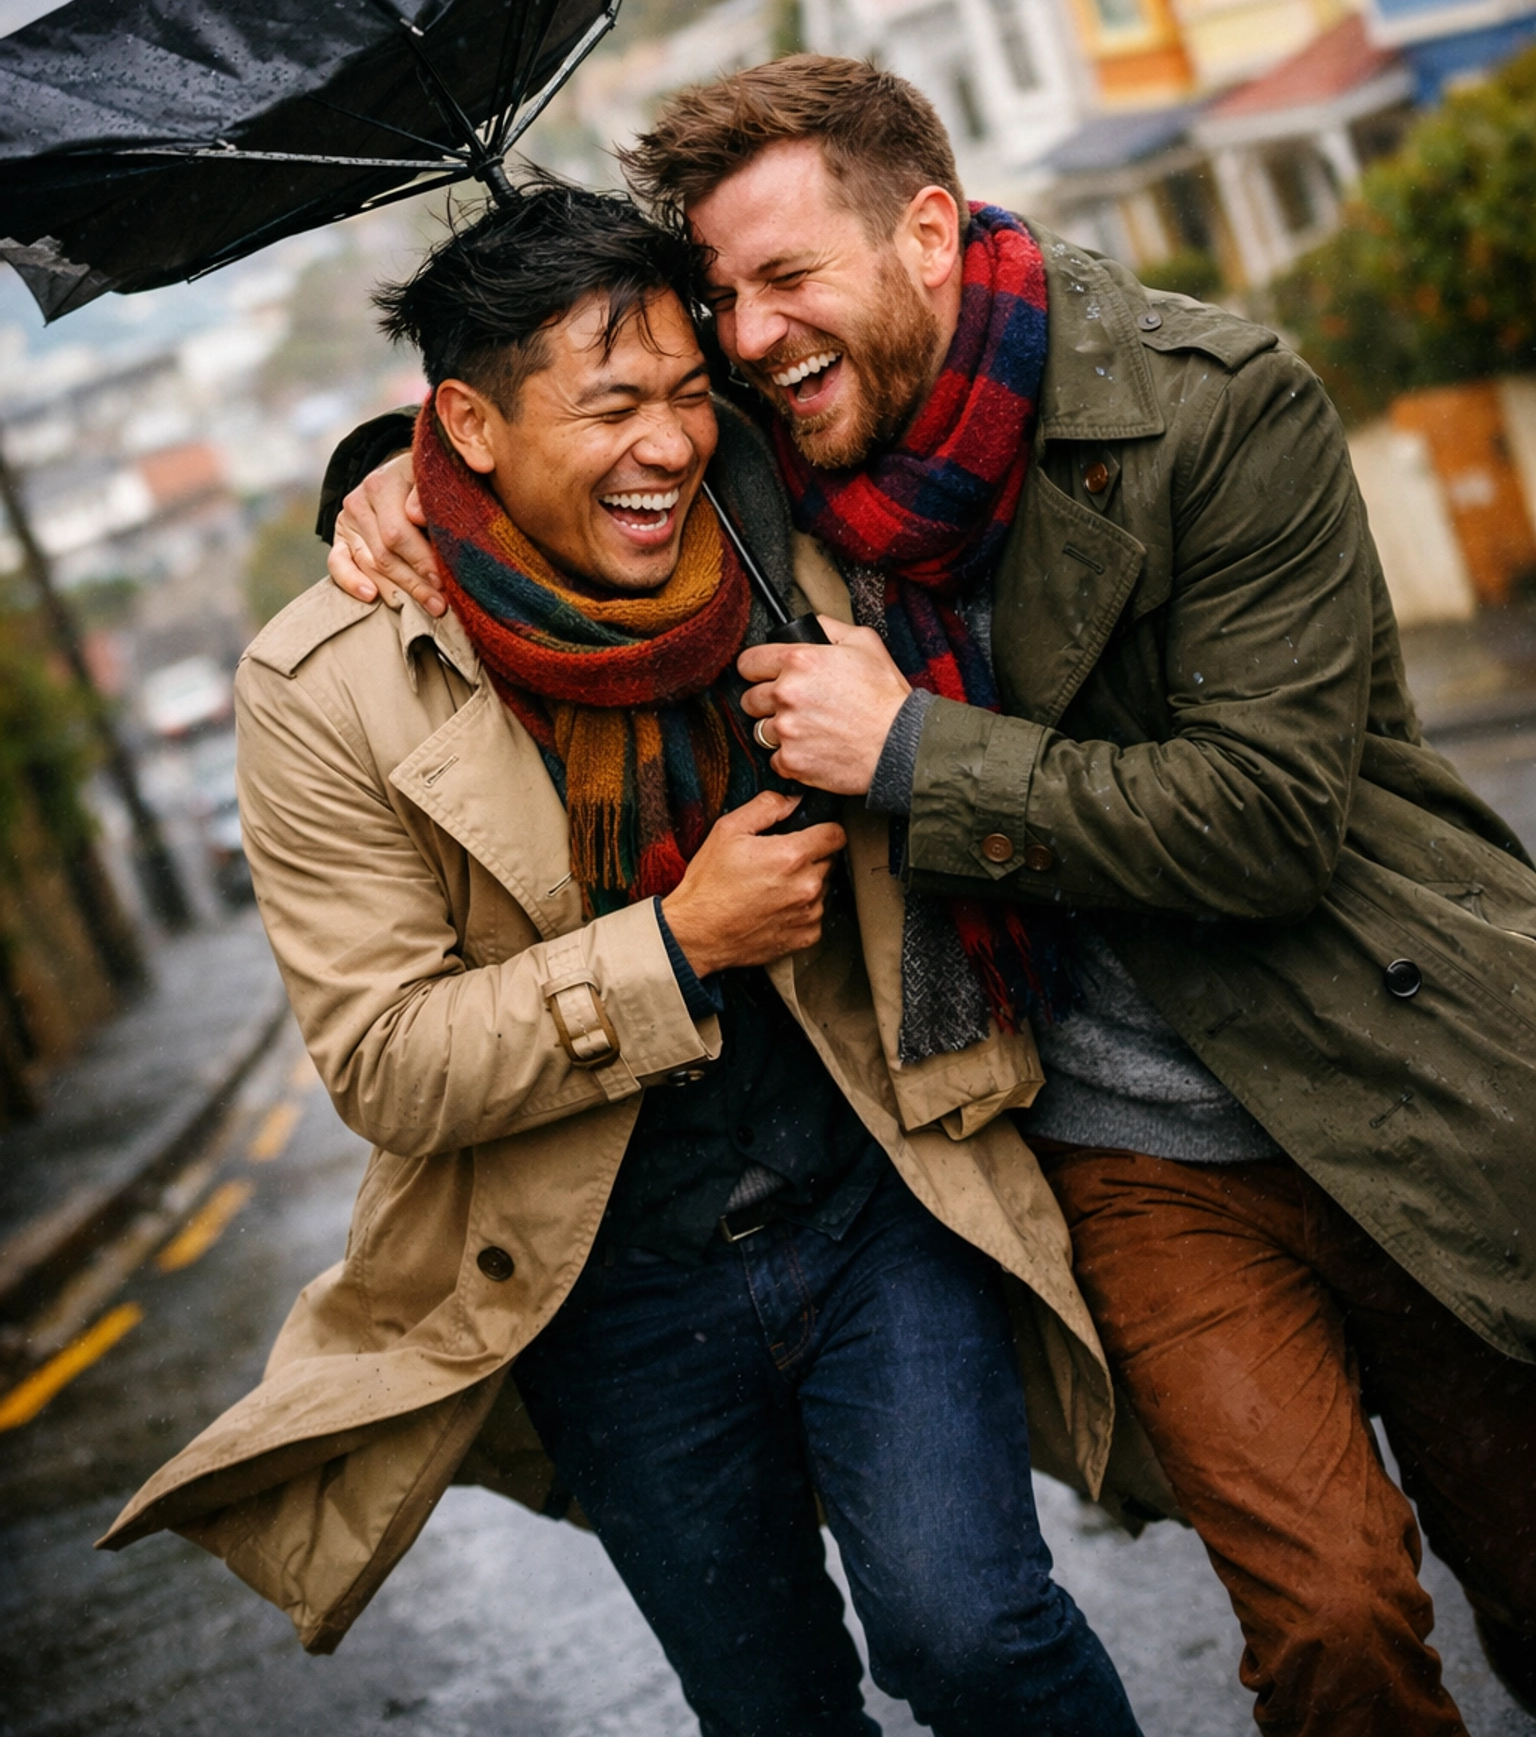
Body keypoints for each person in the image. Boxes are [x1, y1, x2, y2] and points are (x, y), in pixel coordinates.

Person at [330, 60, 1536, 1737]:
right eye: (722, 297)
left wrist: (911, 754)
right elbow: (569, 438)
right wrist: (399, 480)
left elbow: (1264, 820)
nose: (745, 341)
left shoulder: (1216, 404)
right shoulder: (780, 462)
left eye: (784, 281)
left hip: (1390, 1071)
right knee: (1331, 1629)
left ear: (926, 233)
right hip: (1141, 1155)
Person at [102, 178, 1143, 1737]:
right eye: (608, 408)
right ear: (463, 425)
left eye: (682, 394)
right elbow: (384, 1062)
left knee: (974, 1631)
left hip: (872, 1202)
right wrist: (676, 946)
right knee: (773, 1706)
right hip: (607, 1296)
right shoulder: (319, 691)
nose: (666, 445)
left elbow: (929, 342)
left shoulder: (777, 521)